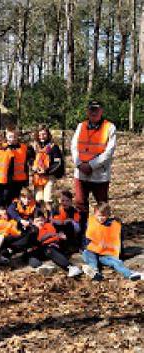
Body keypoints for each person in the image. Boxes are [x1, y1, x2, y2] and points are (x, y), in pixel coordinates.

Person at [71, 100, 116, 232]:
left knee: (102, 206)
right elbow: (74, 147)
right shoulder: (81, 126)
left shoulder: (110, 127)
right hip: (80, 174)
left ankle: (104, 234)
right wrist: (79, 164)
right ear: (87, 111)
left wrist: (91, 165)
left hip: (100, 175)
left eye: (96, 110)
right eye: (91, 109)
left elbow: (109, 151)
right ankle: (82, 235)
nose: (93, 112)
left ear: (101, 111)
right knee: (80, 205)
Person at [82, 203, 141, 281]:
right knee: (89, 256)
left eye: (103, 216)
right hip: (93, 251)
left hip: (107, 254)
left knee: (116, 263)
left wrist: (121, 253)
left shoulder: (114, 225)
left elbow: (118, 240)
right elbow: (85, 238)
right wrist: (84, 248)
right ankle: (94, 272)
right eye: (98, 215)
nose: (100, 218)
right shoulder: (90, 222)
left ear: (108, 215)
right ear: (95, 214)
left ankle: (130, 274)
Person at [29, 210, 82, 277]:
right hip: (40, 249)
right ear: (33, 222)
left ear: (45, 220)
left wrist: (47, 239)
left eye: (41, 220)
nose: (40, 223)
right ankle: (42, 267)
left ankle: (70, 267)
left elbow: (53, 237)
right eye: (37, 221)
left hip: (51, 247)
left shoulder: (48, 226)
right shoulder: (32, 230)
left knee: (48, 250)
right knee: (30, 256)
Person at [31, 125, 64, 209]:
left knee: (47, 199)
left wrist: (46, 170)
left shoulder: (53, 147)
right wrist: (33, 167)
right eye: (40, 134)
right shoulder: (34, 147)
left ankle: (50, 218)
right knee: (38, 199)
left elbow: (58, 163)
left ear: (48, 135)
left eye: (44, 134)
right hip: (38, 176)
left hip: (49, 175)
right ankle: (40, 218)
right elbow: (30, 160)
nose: (42, 136)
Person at [5, 127, 32, 204]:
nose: (12, 139)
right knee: (8, 200)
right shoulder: (3, 147)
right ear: (6, 137)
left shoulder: (24, 148)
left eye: (14, 136)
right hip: (8, 180)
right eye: (10, 136)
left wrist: (27, 179)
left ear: (17, 136)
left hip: (21, 179)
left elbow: (29, 162)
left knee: (21, 200)